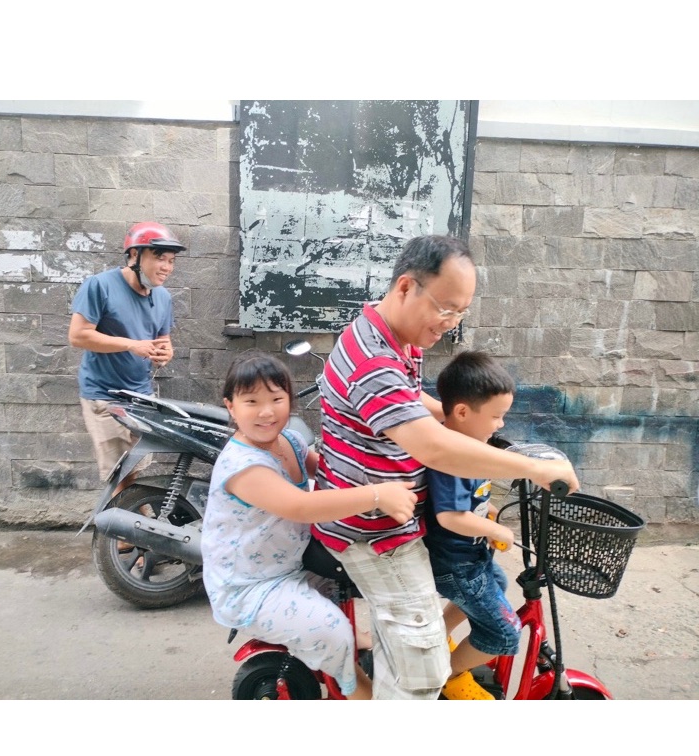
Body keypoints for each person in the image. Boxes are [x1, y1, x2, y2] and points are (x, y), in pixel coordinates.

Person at [311, 234, 579, 700]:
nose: (450, 324)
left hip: (392, 517)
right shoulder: (374, 359)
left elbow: (409, 401)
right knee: (424, 676)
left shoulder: (394, 337)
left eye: (460, 313)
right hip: (376, 534)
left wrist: (456, 418)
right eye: (446, 308)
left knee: (442, 620)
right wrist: (534, 469)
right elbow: (434, 449)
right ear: (405, 287)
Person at [200, 350, 418, 700]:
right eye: (252, 401)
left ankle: (354, 644)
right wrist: (378, 495)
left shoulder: (290, 440)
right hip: (250, 585)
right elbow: (301, 506)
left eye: (276, 399)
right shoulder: (243, 466)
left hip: (294, 563)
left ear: (290, 399)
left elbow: (331, 475)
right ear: (231, 407)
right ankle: (356, 688)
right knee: (332, 630)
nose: (266, 411)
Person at [425, 350, 521, 700]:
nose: (501, 424)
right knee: (505, 634)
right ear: (463, 412)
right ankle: (444, 675)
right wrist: (494, 530)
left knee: (498, 582)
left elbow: (467, 498)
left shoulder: (469, 444)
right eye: (496, 416)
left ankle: (436, 634)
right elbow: (449, 516)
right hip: (456, 565)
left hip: (469, 559)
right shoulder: (453, 457)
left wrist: (487, 510)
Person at [68, 221, 185, 491]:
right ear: (134, 255)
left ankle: (134, 515)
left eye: (171, 261)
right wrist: (131, 345)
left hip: (142, 396)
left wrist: (165, 352)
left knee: (135, 471)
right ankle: (126, 519)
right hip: (105, 396)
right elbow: (78, 336)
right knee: (119, 475)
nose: (167, 267)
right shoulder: (99, 286)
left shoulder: (163, 297)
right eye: (160, 258)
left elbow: (163, 339)